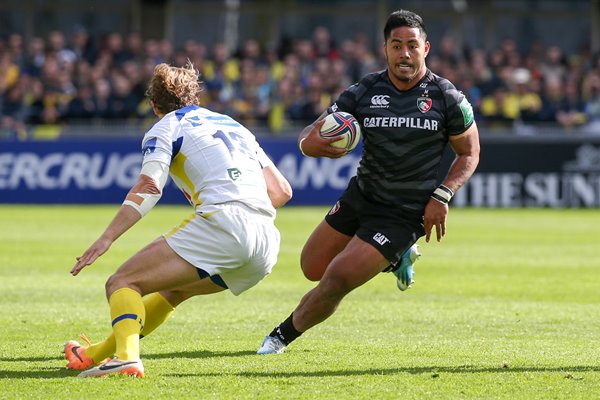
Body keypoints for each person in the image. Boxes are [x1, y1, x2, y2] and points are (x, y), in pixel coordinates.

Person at [257, 9, 480, 355]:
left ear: (426, 48)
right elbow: (309, 133)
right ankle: (395, 257)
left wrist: (443, 194)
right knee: (311, 267)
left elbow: (470, 153)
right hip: (362, 196)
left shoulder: (447, 97)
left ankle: (279, 337)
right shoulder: (364, 90)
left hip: (405, 212)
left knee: (337, 279)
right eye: (396, 45)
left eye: (412, 45)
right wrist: (311, 145)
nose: (404, 54)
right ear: (385, 49)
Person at [63, 62, 292, 377]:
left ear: (155, 106)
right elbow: (281, 191)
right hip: (266, 244)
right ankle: (93, 355)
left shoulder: (165, 126)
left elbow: (149, 186)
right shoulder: (233, 124)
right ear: (194, 98)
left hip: (225, 223)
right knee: (175, 290)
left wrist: (107, 238)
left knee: (122, 282)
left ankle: (127, 357)